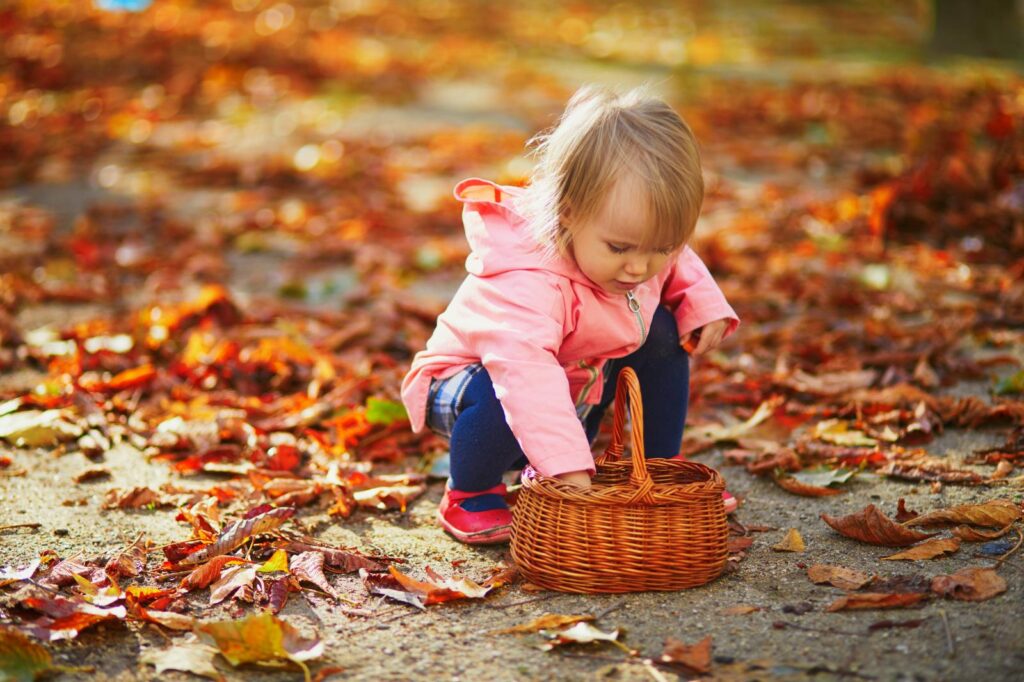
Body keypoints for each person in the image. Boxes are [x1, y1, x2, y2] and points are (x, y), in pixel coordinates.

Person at [400, 83, 741, 544]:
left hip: (575, 379)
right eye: (619, 247)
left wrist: (701, 304)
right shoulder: (529, 280)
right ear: (568, 214)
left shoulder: (635, 250)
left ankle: (656, 469)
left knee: (662, 331)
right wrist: (568, 472)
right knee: (502, 395)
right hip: (477, 388)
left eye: (658, 248)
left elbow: (679, 258)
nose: (639, 268)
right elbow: (526, 378)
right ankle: (471, 489)